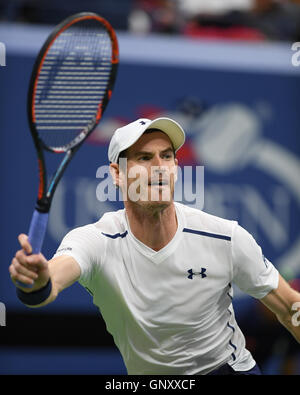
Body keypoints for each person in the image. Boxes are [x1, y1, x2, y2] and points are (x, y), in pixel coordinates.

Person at [9, 117, 300, 375]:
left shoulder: (226, 237)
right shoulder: (95, 241)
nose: (159, 167)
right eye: (144, 158)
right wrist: (36, 280)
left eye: (167, 156)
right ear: (117, 173)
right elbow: (50, 282)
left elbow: (289, 308)